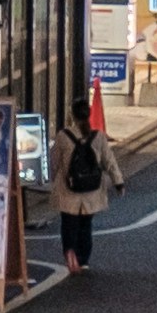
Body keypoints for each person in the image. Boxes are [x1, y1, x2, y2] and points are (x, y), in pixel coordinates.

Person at [55, 110, 107, 275]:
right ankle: (83, 259)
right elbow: (108, 160)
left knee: (69, 223)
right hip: (90, 190)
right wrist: (118, 181)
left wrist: (48, 178)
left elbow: (54, 161)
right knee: (86, 225)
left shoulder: (63, 136)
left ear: (72, 117)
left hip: (69, 188)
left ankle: (70, 251)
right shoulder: (98, 136)